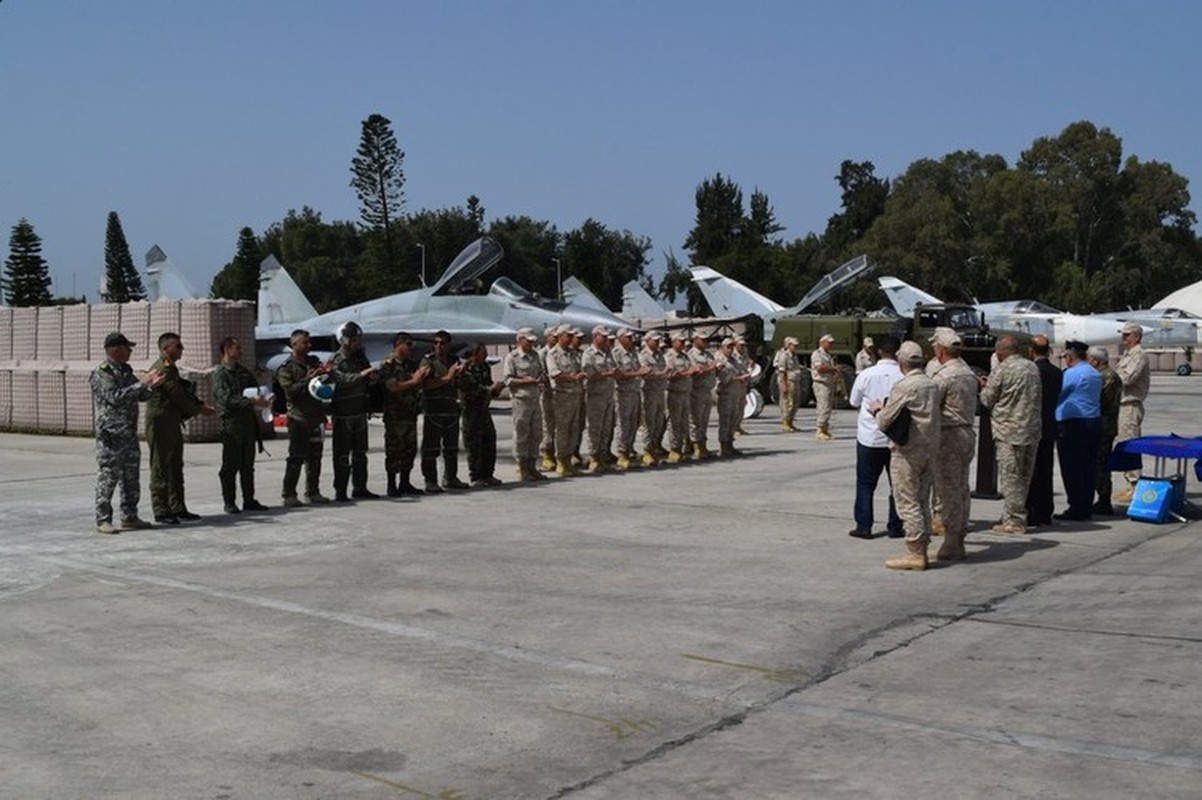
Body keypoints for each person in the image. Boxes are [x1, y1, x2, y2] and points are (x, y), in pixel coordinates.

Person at [869, 341, 940, 571]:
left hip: (908, 451)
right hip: (929, 448)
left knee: (907, 502)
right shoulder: (932, 384)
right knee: (922, 499)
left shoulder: (905, 386)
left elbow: (885, 420)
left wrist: (878, 410)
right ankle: (923, 546)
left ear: (902, 363)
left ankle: (915, 552)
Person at [90, 332, 163, 534]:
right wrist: (143, 382)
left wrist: (152, 387)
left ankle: (130, 516)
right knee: (109, 475)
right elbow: (115, 397)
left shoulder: (125, 370)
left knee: (131, 477)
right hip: (111, 435)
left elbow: (138, 395)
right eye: (127, 348)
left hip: (128, 432)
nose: (130, 351)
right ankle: (102, 519)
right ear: (115, 349)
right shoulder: (102, 373)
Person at [146, 332, 214, 524]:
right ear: (165, 349)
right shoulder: (164, 368)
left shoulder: (170, 368)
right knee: (161, 465)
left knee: (175, 465)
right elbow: (177, 395)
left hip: (171, 420)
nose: (181, 349)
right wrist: (199, 409)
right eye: (178, 346)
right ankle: (161, 509)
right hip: (161, 421)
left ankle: (177, 507)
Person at [979, 336, 1042, 534]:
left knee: (1011, 477)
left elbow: (987, 400)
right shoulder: (1032, 367)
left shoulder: (1002, 369)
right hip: (1030, 430)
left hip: (1009, 430)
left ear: (1000, 352)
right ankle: (1013, 514)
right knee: (1024, 476)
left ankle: (1014, 521)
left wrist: (983, 387)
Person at [929, 328, 979, 562]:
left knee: (948, 489)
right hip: (967, 432)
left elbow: (931, 406)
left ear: (940, 350)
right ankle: (958, 537)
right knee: (961, 488)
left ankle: (951, 541)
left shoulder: (944, 376)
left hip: (948, 435)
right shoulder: (968, 373)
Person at [847, 335, 904, 540]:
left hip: (870, 436)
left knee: (865, 483)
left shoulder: (867, 374)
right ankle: (896, 526)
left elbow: (854, 401)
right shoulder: (903, 375)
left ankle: (864, 526)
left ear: (879, 352)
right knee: (897, 484)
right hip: (895, 437)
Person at [212, 337, 271, 514]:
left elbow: (256, 390)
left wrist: (264, 398)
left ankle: (249, 500)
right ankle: (229, 501)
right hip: (231, 425)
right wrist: (251, 400)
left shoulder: (243, 372)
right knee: (230, 466)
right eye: (237, 348)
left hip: (247, 424)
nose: (241, 352)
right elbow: (225, 399)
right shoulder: (220, 374)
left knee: (247, 465)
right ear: (227, 350)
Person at [276, 329, 333, 506]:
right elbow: (290, 391)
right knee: (296, 458)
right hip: (299, 418)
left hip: (316, 417)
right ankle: (289, 494)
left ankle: (313, 492)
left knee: (315, 458)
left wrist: (327, 372)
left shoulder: (313, 362)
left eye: (309, 342)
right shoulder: (287, 368)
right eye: (304, 343)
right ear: (294, 345)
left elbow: (324, 384)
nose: (308, 345)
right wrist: (307, 379)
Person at [328, 321, 378, 501]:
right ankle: (340, 490)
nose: (358, 343)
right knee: (342, 455)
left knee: (360, 454)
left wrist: (372, 376)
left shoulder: (360, 357)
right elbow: (341, 380)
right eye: (355, 340)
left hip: (359, 411)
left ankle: (360, 487)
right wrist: (362, 375)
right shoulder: (337, 360)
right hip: (343, 414)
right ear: (345, 340)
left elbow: (368, 375)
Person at [1055, 340, 1102, 521]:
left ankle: (1076, 506)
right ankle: (1085, 504)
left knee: (1072, 468)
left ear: (1070, 356)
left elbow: (1057, 392)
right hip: (1093, 421)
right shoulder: (1093, 372)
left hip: (1074, 424)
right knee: (1088, 467)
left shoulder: (1072, 374)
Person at [377, 332, 429, 496]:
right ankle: (391, 485)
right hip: (395, 416)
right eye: (407, 345)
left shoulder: (410, 364)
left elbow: (417, 385)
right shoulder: (388, 365)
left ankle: (405, 483)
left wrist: (419, 379)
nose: (410, 348)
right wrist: (413, 381)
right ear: (398, 345)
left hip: (409, 414)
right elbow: (392, 386)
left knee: (409, 449)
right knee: (393, 450)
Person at [420, 330, 467, 492]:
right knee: (431, 448)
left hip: (451, 410)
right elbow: (425, 385)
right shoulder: (428, 361)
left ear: (448, 345)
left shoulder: (454, 361)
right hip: (434, 411)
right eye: (436, 343)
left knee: (451, 448)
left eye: (442, 343)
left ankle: (451, 477)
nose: (439, 346)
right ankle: (430, 480)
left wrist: (460, 376)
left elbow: (460, 384)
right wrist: (448, 377)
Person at [1026, 335, 1063, 527]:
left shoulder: (1032, 372)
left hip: (1033, 427)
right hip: (1049, 425)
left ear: (1031, 351)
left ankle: (1032, 511)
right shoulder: (1057, 372)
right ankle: (1045, 512)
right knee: (1046, 470)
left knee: (1031, 472)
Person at [1113, 321, 1151, 503]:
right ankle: (1130, 483)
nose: (1124, 338)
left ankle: (1135, 485)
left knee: (1130, 443)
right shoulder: (1128, 354)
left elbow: (1127, 378)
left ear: (1136, 336)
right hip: (1121, 405)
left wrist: (1109, 379)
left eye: (1127, 335)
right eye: (1123, 335)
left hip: (1130, 405)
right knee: (1123, 443)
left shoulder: (1139, 355)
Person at [503, 327, 547, 482]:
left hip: (535, 398)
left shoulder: (535, 355)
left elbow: (541, 373)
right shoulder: (512, 357)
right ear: (520, 340)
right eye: (528, 341)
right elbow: (508, 380)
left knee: (536, 433)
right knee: (522, 433)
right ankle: (522, 467)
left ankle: (532, 465)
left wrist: (540, 380)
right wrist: (527, 381)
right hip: (521, 400)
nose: (531, 344)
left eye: (533, 341)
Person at [460, 342, 504, 487]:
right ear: (474, 354)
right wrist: (490, 389)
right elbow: (471, 389)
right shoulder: (466, 369)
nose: (485, 355)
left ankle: (488, 474)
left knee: (489, 440)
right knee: (474, 444)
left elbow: (488, 385)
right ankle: (476, 476)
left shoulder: (485, 367)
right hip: (471, 411)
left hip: (484, 410)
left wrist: (496, 389)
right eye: (482, 352)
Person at [546, 325, 586, 476]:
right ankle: (561, 461)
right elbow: (554, 373)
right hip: (562, 397)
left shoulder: (573, 353)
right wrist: (574, 377)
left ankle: (569, 459)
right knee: (562, 430)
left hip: (575, 395)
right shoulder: (553, 354)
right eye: (568, 336)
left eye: (571, 336)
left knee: (574, 429)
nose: (571, 339)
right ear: (561, 335)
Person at [1088, 345, 1122, 516]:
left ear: (1096, 360)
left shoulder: (1104, 377)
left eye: (1090, 359)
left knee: (1100, 465)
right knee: (1101, 463)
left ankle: (1103, 500)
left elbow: (1098, 400)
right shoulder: (1110, 375)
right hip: (1107, 425)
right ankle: (1102, 498)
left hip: (1103, 425)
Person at [581, 325, 618, 473]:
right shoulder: (588, 354)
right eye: (603, 336)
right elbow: (589, 374)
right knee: (595, 429)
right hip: (596, 396)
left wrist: (611, 373)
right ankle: (594, 457)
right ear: (595, 336)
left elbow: (614, 369)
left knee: (606, 428)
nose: (606, 339)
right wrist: (607, 374)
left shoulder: (608, 352)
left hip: (608, 395)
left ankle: (603, 456)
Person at [611, 328, 647, 469]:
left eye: (632, 337)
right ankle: (622, 453)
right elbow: (618, 374)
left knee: (634, 422)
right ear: (620, 338)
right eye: (628, 337)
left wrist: (640, 372)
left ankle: (629, 449)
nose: (631, 340)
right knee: (624, 423)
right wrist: (638, 372)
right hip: (623, 393)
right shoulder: (617, 353)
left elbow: (638, 369)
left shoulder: (633, 352)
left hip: (635, 391)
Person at [713, 337, 750, 456]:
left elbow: (741, 370)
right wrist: (739, 378)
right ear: (723, 348)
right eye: (728, 347)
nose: (730, 349)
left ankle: (730, 443)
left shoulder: (734, 360)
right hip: (725, 393)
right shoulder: (720, 360)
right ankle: (723, 446)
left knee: (734, 420)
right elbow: (723, 379)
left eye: (732, 347)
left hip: (736, 393)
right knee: (725, 420)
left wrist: (745, 377)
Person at [638, 333, 670, 466]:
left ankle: (655, 447)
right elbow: (646, 373)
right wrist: (661, 374)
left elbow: (663, 369)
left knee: (659, 422)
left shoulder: (659, 355)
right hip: (649, 392)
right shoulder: (643, 356)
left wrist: (661, 373)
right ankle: (647, 450)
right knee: (649, 423)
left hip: (659, 392)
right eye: (655, 341)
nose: (657, 343)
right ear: (647, 341)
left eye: (658, 341)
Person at [664, 331, 695, 462]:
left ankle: (682, 447)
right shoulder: (669, 356)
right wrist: (687, 372)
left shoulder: (685, 356)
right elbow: (669, 375)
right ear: (673, 342)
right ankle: (675, 449)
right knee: (674, 423)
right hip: (675, 393)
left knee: (684, 422)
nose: (683, 344)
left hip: (685, 392)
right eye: (680, 341)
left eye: (684, 342)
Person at [687, 334, 719, 458]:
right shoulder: (691, 355)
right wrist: (710, 367)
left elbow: (713, 370)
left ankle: (703, 444)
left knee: (704, 420)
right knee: (695, 420)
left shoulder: (708, 354)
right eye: (703, 339)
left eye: (707, 339)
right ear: (695, 340)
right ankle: (695, 446)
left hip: (707, 391)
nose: (706, 341)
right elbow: (695, 372)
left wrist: (716, 368)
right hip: (696, 391)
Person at [538, 326, 560, 471]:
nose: (556, 338)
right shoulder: (542, 354)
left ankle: (558, 453)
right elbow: (541, 374)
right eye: (554, 336)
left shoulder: (559, 353)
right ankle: (547, 454)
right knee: (547, 425)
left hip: (559, 394)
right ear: (547, 337)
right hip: (546, 393)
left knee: (559, 425)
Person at [811, 334, 839, 440]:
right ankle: (820, 429)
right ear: (822, 342)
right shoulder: (817, 354)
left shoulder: (828, 355)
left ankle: (825, 428)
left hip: (828, 383)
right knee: (823, 406)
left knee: (827, 407)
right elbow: (820, 368)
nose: (831, 345)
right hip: (821, 383)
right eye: (829, 342)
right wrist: (833, 369)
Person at [773, 337, 802, 432]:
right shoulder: (784, 355)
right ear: (789, 345)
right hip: (788, 381)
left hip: (795, 381)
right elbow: (782, 371)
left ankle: (790, 421)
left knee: (795, 402)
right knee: (787, 402)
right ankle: (785, 422)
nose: (796, 347)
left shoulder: (794, 355)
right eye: (794, 345)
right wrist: (783, 384)